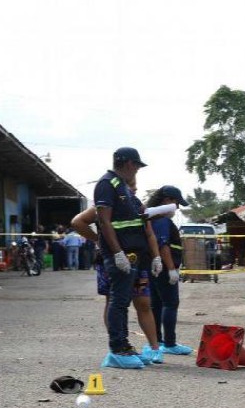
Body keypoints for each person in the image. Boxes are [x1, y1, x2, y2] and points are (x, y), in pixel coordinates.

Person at [71, 179, 166, 365]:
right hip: (113, 259)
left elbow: (148, 233)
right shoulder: (107, 203)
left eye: (136, 184)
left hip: (137, 259)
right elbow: (77, 222)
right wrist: (99, 240)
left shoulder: (137, 204)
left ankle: (153, 348)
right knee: (115, 301)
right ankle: (120, 345)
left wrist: (156, 257)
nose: (135, 187)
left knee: (143, 302)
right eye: (130, 183)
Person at [94, 147, 163, 369]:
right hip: (121, 254)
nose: (137, 170)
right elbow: (104, 222)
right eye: (136, 165)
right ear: (128, 164)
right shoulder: (107, 184)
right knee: (119, 301)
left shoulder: (124, 188)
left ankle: (124, 346)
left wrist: (153, 256)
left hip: (133, 255)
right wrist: (116, 253)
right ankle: (118, 349)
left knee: (122, 302)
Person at [146, 186, 194, 355]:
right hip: (165, 268)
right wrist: (172, 269)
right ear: (166, 201)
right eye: (176, 203)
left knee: (157, 304)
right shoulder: (162, 221)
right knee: (170, 303)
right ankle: (170, 343)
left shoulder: (150, 219)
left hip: (153, 267)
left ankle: (157, 341)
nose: (178, 208)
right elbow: (163, 245)